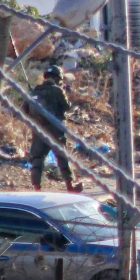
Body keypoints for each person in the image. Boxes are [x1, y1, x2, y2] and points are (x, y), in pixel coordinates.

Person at [27, 65, 83, 193]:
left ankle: (37, 188)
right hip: (55, 129)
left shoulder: (34, 92)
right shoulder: (57, 90)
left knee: (37, 159)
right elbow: (66, 107)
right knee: (62, 157)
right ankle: (70, 186)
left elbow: (25, 110)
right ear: (58, 78)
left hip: (39, 130)